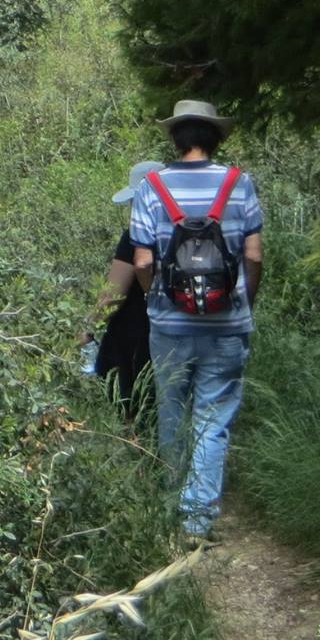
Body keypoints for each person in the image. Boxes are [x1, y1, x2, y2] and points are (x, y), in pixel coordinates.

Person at [129, 100, 264, 541]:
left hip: (169, 324)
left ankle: (171, 504)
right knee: (213, 418)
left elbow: (143, 260)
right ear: (216, 138)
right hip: (227, 324)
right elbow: (253, 255)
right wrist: (245, 301)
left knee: (171, 411)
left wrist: (155, 300)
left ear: (175, 138)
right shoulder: (238, 183)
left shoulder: (152, 186)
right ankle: (197, 518)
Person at [82, 161, 160, 419]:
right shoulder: (178, 231)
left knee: (132, 408)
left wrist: (88, 328)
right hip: (173, 331)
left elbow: (112, 295)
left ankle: (140, 453)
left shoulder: (135, 238)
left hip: (133, 337)